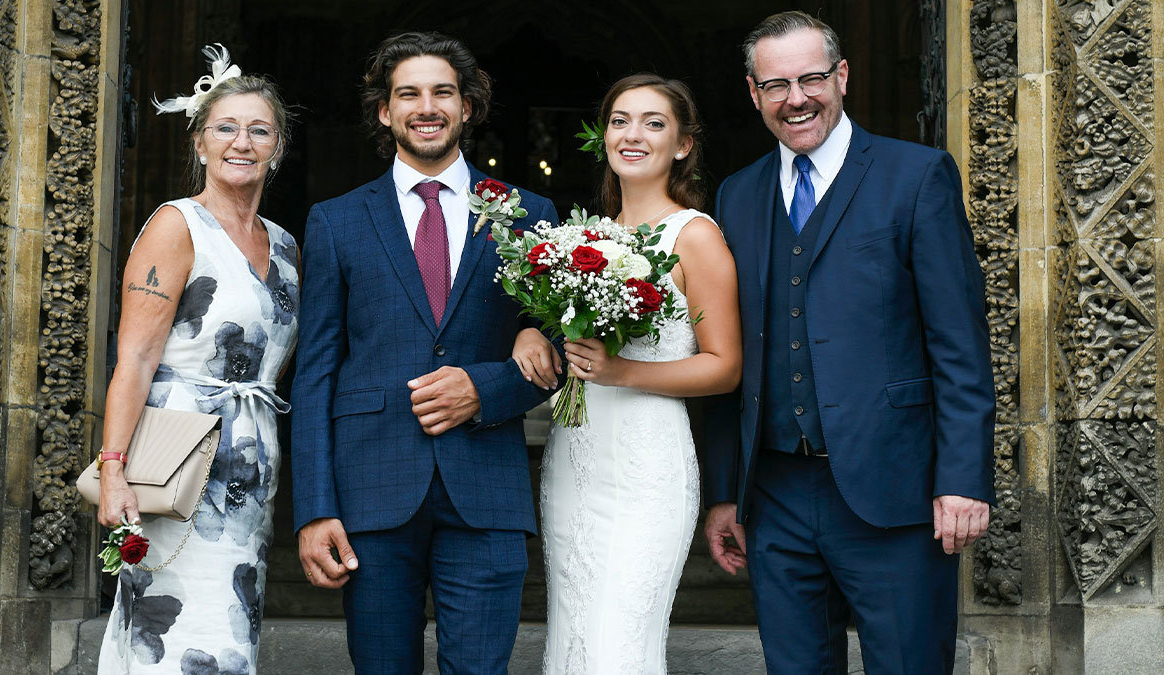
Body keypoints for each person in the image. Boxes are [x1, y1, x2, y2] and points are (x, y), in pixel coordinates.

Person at [702, 11, 996, 674]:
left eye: (811, 78)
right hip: (774, 496)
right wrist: (727, 490)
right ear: (754, 94)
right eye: (775, 85)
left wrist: (962, 480)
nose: (796, 98)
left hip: (894, 490)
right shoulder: (737, 195)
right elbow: (733, 356)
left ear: (841, 77)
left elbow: (959, 345)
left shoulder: (916, 176)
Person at [289, 31, 558, 674]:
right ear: (385, 111)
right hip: (371, 492)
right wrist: (315, 509)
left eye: (443, 92)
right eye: (408, 93)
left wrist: (485, 388)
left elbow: (559, 357)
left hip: (486, 488)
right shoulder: (336, 220)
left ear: (468, 106)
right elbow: (316, 371)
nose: (426, 106)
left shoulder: (528, 213)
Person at [513, 74, 742, 673]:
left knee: (620, 645)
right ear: (603, 137)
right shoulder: (585, 238)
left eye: (653, 122)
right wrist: (533, 328)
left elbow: (725, 367)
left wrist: (622, 372)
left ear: (683, 145)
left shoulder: (696, 236)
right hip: (575, 459)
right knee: (573, 637)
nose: (632, 134)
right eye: (619, 120)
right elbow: (562, 335)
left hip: (647, 466)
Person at [96, 45, 298, 673]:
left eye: (259, 129)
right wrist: (112, 469)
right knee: (181, 637)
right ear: (200, 143)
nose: (243, 141)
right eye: (226, 128)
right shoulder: (175, 226)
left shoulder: (286, 245)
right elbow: (133, 357)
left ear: (277, 147)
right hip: (178, 460)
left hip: (251, 465)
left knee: (231, 631)